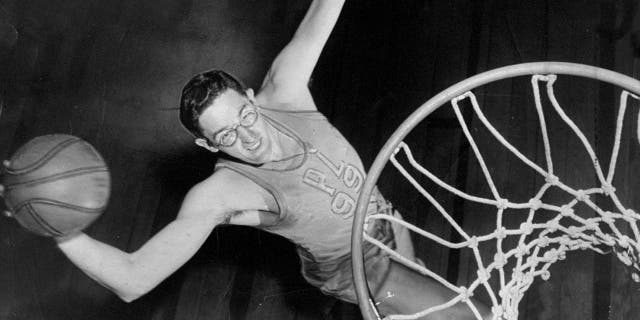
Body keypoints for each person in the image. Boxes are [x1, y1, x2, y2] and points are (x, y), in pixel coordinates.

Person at [4, 1, 490, 319]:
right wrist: (62, 232)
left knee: (422, 276)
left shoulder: (289, 91)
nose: (247, 135)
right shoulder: (222, 193)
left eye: (245, 116)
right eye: (227, 136)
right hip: (356, 268)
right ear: (209, 147)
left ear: (254, 99)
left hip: (385, 219)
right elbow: (134, 279)